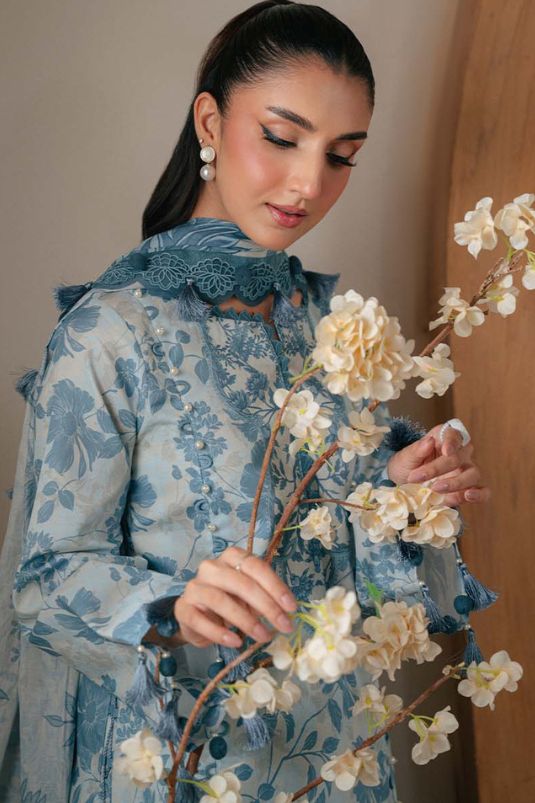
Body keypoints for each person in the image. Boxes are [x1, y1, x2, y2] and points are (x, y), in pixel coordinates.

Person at [0, 2, 490, 800]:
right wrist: (169, 605)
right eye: (281, 136)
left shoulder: (329, 331)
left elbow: (352, 585)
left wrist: (398, 499)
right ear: (210, 121)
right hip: (179, 764)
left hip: (331, 760)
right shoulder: (110, 333)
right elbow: (43, 581)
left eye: (341, 156)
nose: (309, 183)